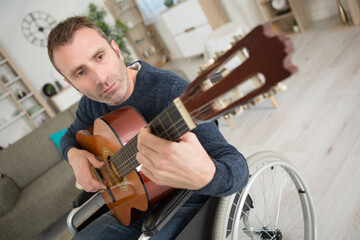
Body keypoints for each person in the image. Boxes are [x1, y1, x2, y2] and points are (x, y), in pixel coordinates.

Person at [47, 16, 249, 240]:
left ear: (116, 50)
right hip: (129, 205)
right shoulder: (90, 104)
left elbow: (236, 168)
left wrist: (207, 175)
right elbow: (68, 138)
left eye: (100, 56)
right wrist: (73, 155)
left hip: (185, 200)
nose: (101, 78)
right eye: (80, 73)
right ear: (70, 83)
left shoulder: (171, 92)